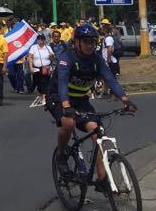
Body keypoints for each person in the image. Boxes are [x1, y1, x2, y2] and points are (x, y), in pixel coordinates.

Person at [50, 23, 136, 186]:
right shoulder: (67, 58)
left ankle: (102, 180)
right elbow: (62, 84)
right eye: (86, 41)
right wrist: (66, 107)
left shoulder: (97, 59)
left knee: (97, 134)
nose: (90, 45)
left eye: (93, 42)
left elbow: (110, 79)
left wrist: (125, 99)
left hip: (80, 100)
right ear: (77, 42)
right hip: (59, 97)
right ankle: (61, 155)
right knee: (68, 123)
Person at [27, 33, 54, 100]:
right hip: (37, 68)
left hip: (46, 68)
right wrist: (31, 67)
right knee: (38, 82)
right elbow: (30, 57)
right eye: (38, 39)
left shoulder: (48, 48)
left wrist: (51, 56)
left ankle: (45, 97)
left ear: (44, 40)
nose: (40, 40)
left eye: (41, 39)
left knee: (45, 82)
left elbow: (52, 59)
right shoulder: (33, 47)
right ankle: (41, 93)